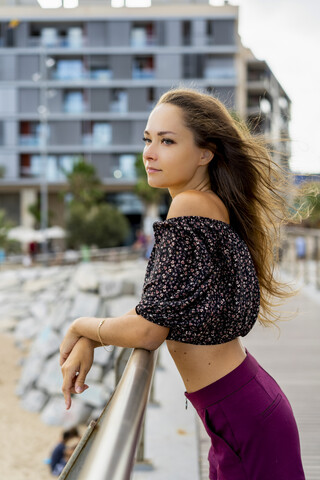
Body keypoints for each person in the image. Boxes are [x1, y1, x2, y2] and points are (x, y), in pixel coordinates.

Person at [59, 88, 305, 479]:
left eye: (167, 141)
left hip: (240, 415)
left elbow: (148, 331)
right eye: (148, 140)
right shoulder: (207, 207)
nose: (150, 153)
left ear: (205, 152)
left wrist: (80, 327)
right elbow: (158, 308)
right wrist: (95, 336)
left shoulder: (190, 205)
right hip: (239, 408)